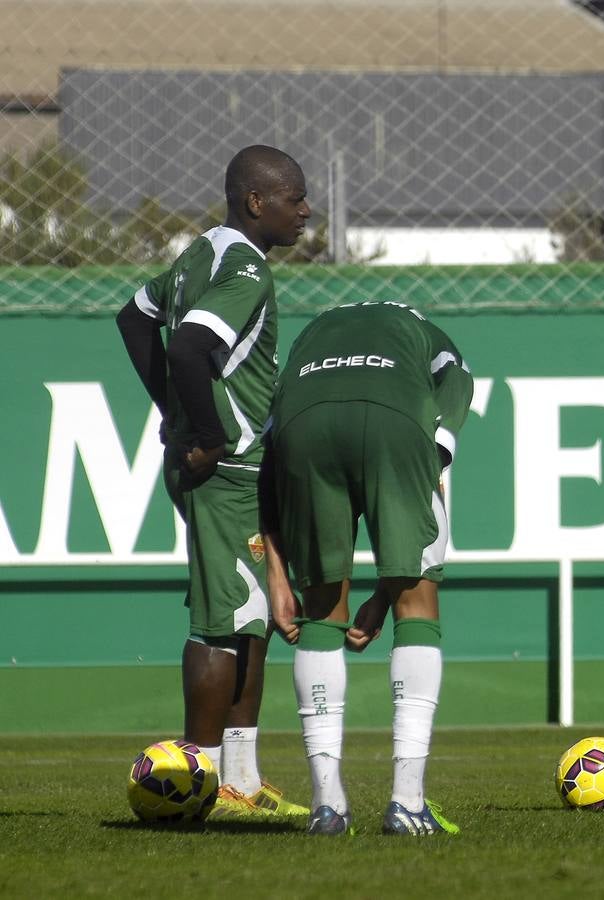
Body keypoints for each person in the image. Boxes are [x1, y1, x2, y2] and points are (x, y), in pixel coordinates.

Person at [115, 144, 311, 819]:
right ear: (257, 201)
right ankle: (199, 785)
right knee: (223, 622)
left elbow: (135, 316)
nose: (306, 210)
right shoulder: (246, 268)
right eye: (294, 197)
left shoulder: (201, 253)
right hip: (225, 470)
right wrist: (206, 434)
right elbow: (190, 345)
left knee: (248, 617)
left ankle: (242, 784)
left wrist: (175, 415)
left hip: (224, 465)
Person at [260, 300, 474, 836]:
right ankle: (407, 801)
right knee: (417, 602)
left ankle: (327, 805)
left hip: (303, 428)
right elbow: (458, 384)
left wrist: (277, 575)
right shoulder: (424, 331)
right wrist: (436, 454)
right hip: (396, 423)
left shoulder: (313, 336)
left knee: (322, 614)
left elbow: (272, 454)